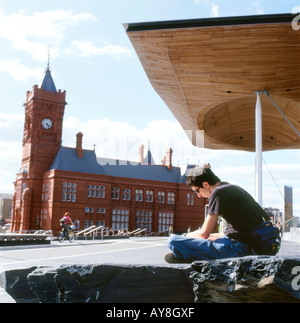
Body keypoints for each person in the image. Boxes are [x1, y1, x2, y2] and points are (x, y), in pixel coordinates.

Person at [165, 163, 271, 263]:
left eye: (197, 191)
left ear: (205, 184)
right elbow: (228, 234)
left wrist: (185, 235)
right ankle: (194, 253)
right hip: (254, 244)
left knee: (173, 240)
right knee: (210, 237)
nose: (199, 195)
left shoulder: (217, 193)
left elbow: (203, 234)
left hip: (238, 249)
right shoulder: (231, 187)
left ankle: (194, 255)